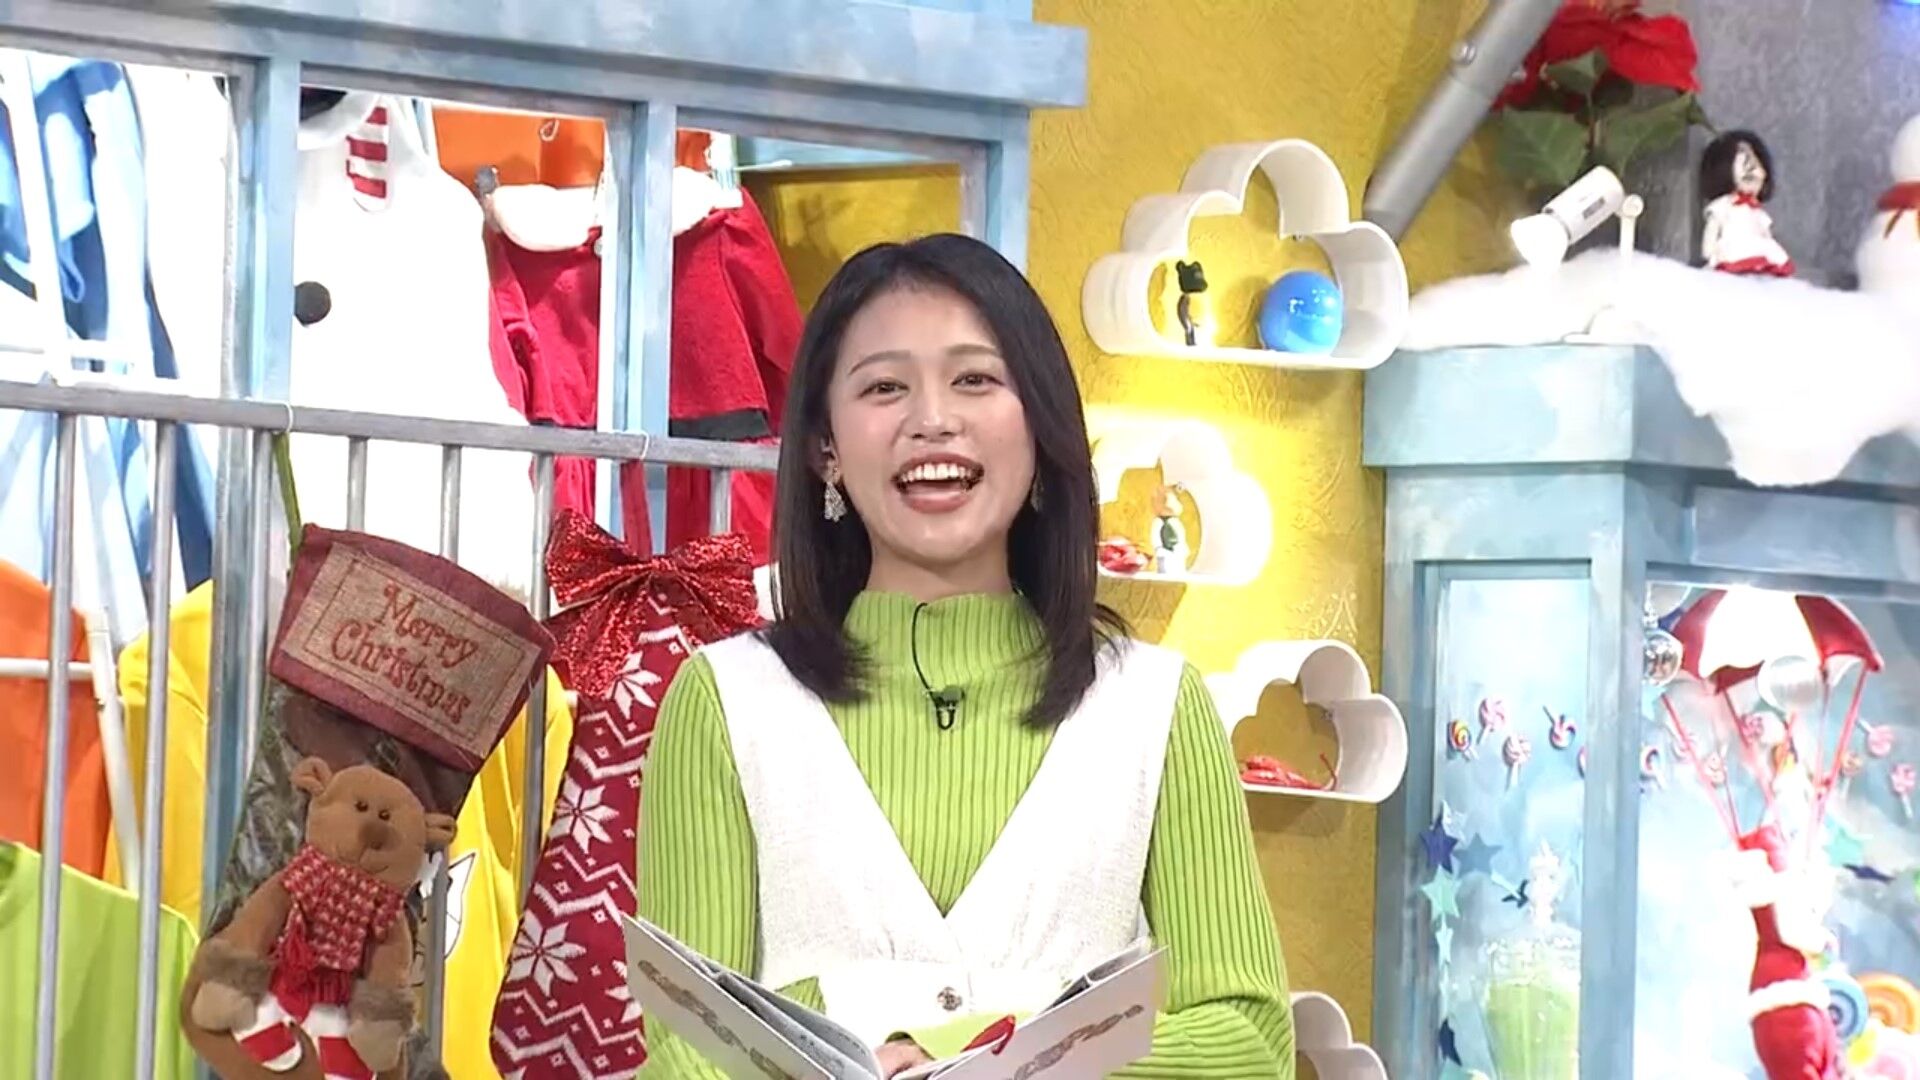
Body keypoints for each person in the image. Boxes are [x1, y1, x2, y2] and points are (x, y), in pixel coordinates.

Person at [635, 234, 1293, 1077]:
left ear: (1040, 425)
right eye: (884, 387)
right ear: (825, 446)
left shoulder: (1156, 707)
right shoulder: (726, 700)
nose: (932, 419)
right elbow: (685, 1050)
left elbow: (1250, 1043)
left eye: (975, 380)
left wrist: (962, 1055)